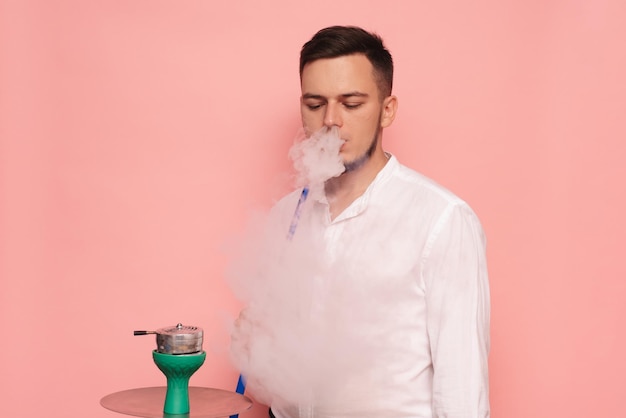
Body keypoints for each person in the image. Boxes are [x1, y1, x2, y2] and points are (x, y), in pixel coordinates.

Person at [231, 25, 490, 418]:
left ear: (387, 109)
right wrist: (253, 345)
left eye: (351, 103)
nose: (331, 120)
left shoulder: (442, 220)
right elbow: (276, 387)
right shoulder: (287, 215)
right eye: (315, 104)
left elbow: (463, 397)